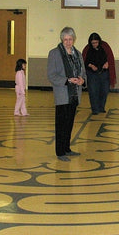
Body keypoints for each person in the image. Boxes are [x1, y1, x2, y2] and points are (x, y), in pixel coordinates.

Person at [47, 27, 86, 162]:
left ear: (73, 39)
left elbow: (83, 72)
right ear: (61, 40)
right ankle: (60, 152)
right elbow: (51, 75)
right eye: (65, 40)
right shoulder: (54, 54)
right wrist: (67, 80)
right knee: (61, 124)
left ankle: (67, 148)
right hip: (62, 95)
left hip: (74, 94)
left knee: (69, 123)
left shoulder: (78, 54)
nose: (68, 42)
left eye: (70, 39)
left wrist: (82, 80)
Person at [82, 33, 116, 115]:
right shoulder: (87, 49)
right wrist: (90, 65)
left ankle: (101, 107)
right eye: (93, 43)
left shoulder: (105, 46)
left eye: (96, 42)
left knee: (104, 91)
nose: (94, 44)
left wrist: (107, 63)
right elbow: (83, 61)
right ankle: (95, 109)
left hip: (104, 73)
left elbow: (110, 58)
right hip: (91, 73)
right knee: (93, 91)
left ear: (99, 41)